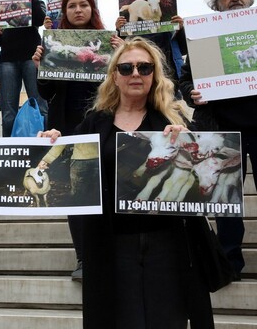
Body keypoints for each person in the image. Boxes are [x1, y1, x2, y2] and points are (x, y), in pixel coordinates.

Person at [45, 37, 213, 329]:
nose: (135, 73)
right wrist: (51, 144)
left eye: (145, 67)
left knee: (168, 321)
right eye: (126, 67)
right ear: (114, 76)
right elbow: (73, 170)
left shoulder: (174, 119)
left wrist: (187, 141)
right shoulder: (93, 123)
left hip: (168, 244)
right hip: (112, 244)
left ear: (154, 76)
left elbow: (203, 174)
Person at [33, 0, 122, 281]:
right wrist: (39, 67)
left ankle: (109, 253)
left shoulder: (109, 41)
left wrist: (120, 55)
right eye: (72, 6)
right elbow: (45, 93)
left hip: (106, 124)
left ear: (92, 9)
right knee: (77, 194)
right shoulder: (55, 45)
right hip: (68, 128)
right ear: (64, 12)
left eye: (84, 5)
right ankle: (83, 256)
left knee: (107, 191)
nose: (78, 10)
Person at [179, 0, 255, 280]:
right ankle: (229, 262)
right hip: (221, 129)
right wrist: (191, 94)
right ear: (218, 4)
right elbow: (185, 81)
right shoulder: (204, 39)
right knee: (224, 200)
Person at [0, 0, 48, 136]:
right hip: (8, 59)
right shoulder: (1, 7)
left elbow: (40, 20)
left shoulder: (36, 1)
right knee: (8, 110)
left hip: (32, 58)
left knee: (39, 105)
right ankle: (9, 147)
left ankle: (44, 143)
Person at [115, 0, 187, 87]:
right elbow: (120, 53)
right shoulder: (130, 29)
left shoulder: (170, 23)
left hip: (169, 79)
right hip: (142, 77)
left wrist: (180, 29)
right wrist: (120, 30)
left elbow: (184, 50)